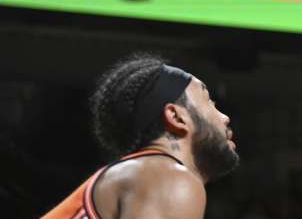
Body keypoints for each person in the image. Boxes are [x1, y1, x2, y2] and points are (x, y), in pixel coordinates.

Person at [41, 53, 239, 219]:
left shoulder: (142, 174)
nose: (225, 117)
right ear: (177, 117)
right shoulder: (168, 178)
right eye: (209, 101)